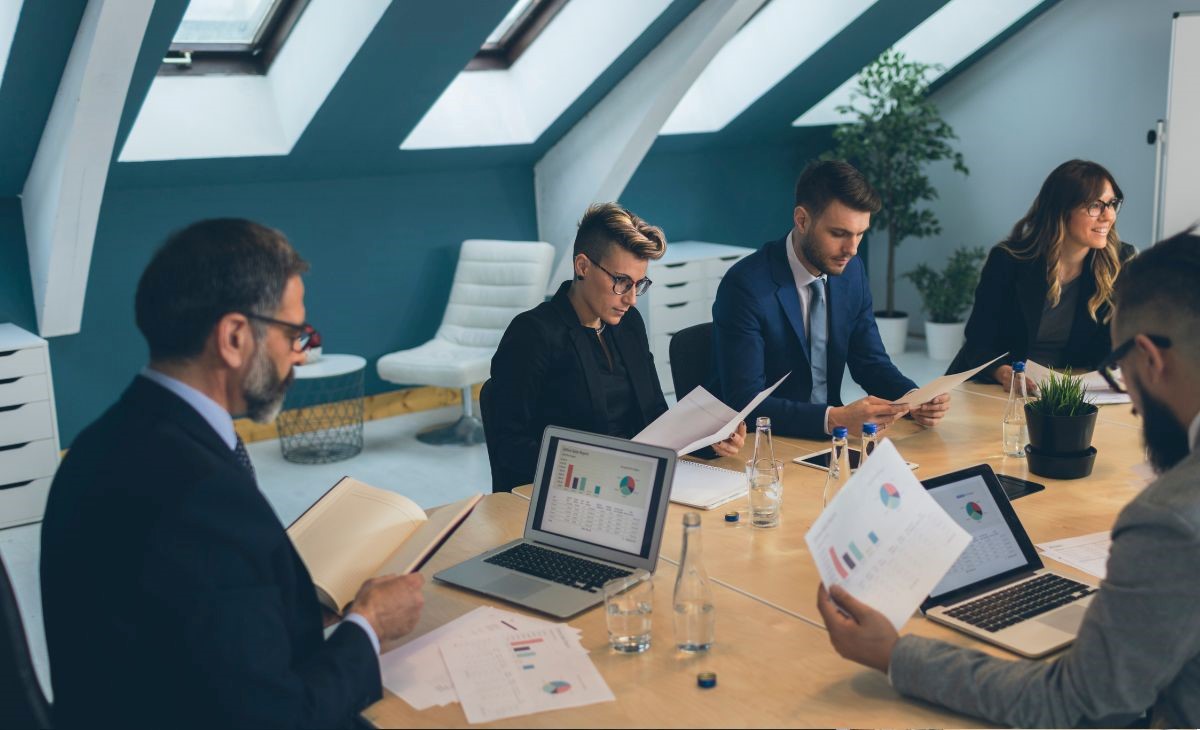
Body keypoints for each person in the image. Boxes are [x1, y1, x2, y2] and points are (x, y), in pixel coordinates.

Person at [40, 220, 425, 727]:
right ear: (235, 336)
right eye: (294, 334)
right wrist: (368, 625)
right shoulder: (202, 496)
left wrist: (296, 611)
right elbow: (278, 717)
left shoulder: (102, 444)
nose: (300, 354)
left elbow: (188, 624)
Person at [817, 229, 1200, 728]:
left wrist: (895, 655)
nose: (1129, 400)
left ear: (1150, 359)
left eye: (1119, 370)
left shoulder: (1168, 519)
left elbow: (1072, 704)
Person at [487, 203, 745, 492]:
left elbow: (656, 417)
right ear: (582, 266)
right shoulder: (532, 334)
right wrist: (594, 474)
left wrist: (708, 439)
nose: (632, 299)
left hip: (632, 483)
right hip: (570, 491)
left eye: (639, 284)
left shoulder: (628, 323)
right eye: (621, 282)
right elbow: (510, 445)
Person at [710, 160, 950, 439]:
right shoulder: (745, 286)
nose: (851, 249)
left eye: (860, 234)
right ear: (802, 220)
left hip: (831, 441)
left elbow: (870, 363)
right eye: (839, 234)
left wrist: (913, 398)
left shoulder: (852, 272)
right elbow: (746, 402)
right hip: (767, 444)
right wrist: (834, 419)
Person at [948, 159, 1137, 393]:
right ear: (1061, 210)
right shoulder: (1009, 261)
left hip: (1066, 391)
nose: (1108, 216)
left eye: (1112, 204)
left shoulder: (1118, 261)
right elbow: (978, 342)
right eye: (1096, 206)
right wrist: (1003, 372)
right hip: (998, 387)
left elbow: (1111, 349)